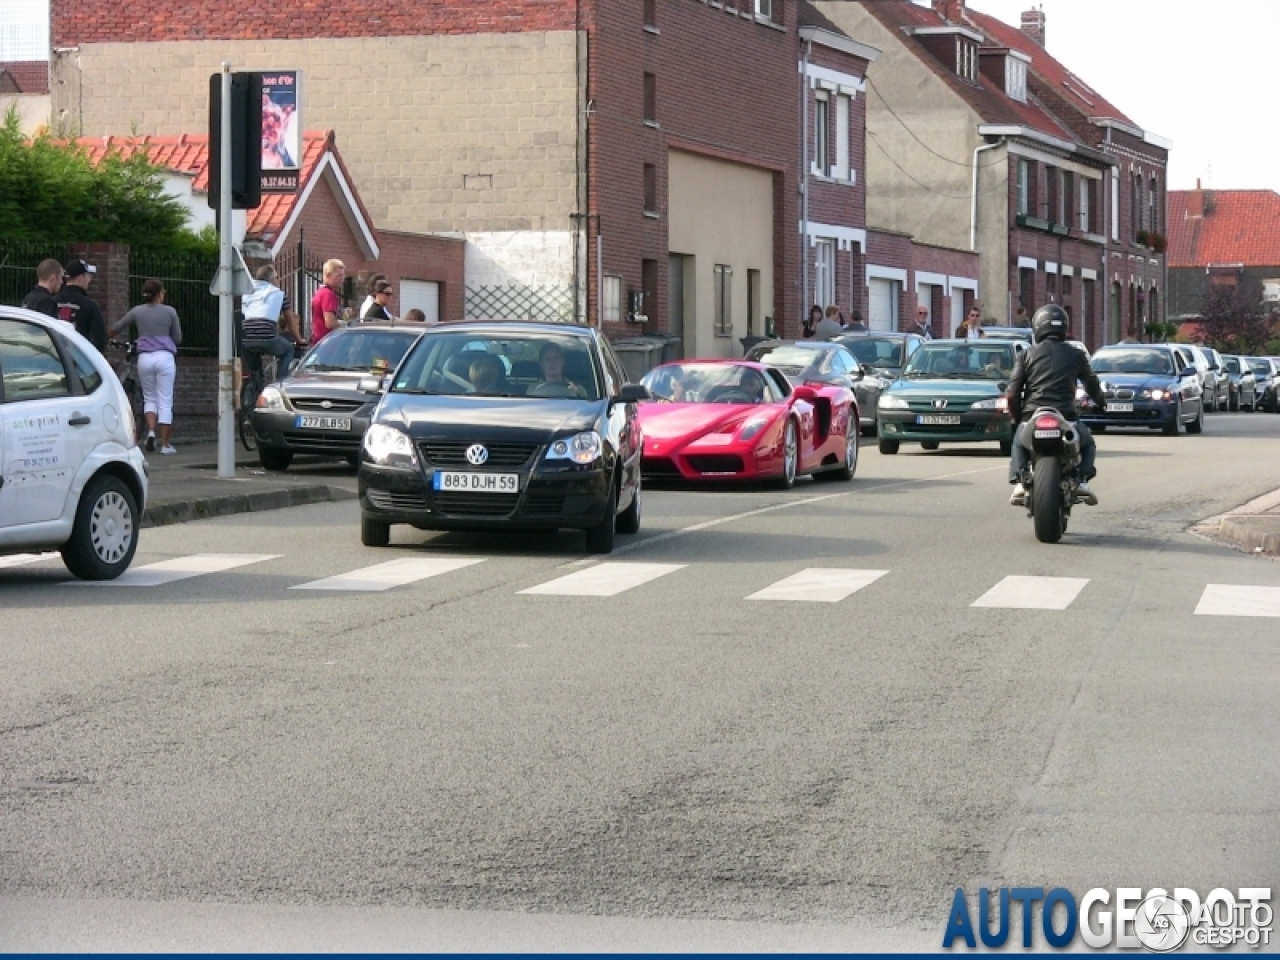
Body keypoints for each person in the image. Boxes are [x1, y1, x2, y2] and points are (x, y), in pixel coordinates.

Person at [1006, 304, 1106, 507]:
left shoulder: (1026, 355)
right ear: (1064, 328)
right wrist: (1102, 403)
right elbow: (1091, 384)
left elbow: (1011, 394)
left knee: (1018, 441)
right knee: (1087, 443)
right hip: (1066, 415)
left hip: (1032, 414)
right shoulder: (1076, 354)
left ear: (1037, 327)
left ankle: (1019, 480)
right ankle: (1083, 480)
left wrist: (1017, 418)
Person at [112, 279, 183, 454]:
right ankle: (165, 445)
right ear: (159, 294)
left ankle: (150, 432)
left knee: (149, 397)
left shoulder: (137, 311)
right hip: (164, 358)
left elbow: (118, 327)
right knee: (165, 400)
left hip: (145, 359)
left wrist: (105, 337)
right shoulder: (170, 312)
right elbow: (178, 338)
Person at [240, 265, 298, 382]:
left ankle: (254, 388)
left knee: (255, 373)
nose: (278, 280)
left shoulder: (247, 293)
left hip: (246, 340)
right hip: (267, 337)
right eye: (277, 277)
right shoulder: (279, 294)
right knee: (288, 350)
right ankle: (280, 383)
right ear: (271, 280)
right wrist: (299, 339)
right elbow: (290, 322)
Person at [55, 259, 107, 352]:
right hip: (78, 357)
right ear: (80, 278)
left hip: (56, 355)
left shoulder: (52, 301)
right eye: (88, 276)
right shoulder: (89, 305)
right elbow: (100, 338)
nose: (90, 280)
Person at [310, 259, 344, 345]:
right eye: (338, 276)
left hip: (318, 341)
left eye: (343, 275)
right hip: (328, 341)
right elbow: (330, 323)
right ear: (328, 276)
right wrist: (345, 325)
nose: (342, 279)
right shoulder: (328, 294)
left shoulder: (320, 292)